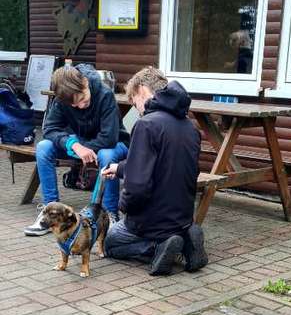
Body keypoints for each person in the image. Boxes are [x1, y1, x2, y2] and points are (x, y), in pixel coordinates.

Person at [103, 66, 208, 276]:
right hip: (182, 217)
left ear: (142, 90)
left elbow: (138, 187)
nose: (137, 109)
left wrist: (124, 208)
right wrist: (120, 168)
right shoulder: (190, 128)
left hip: (150, 222)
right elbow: (166, 167)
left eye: (134, 102)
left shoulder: (146, 125)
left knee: (111, 242)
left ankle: (156, 247)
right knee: (170, 230)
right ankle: (186, 239)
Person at [24, 64, 129, 236]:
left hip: (113, 143)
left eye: (83, 99)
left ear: (85, 82)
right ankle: (50, 212)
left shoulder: (105, 95)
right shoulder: (62, 99)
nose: (80, 106)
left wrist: (85, 148)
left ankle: (110, 215)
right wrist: (74, 145)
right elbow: (50, 129)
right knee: (43, 147)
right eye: (75, 104)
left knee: (106, 154)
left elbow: (109, 137)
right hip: (80, 143)